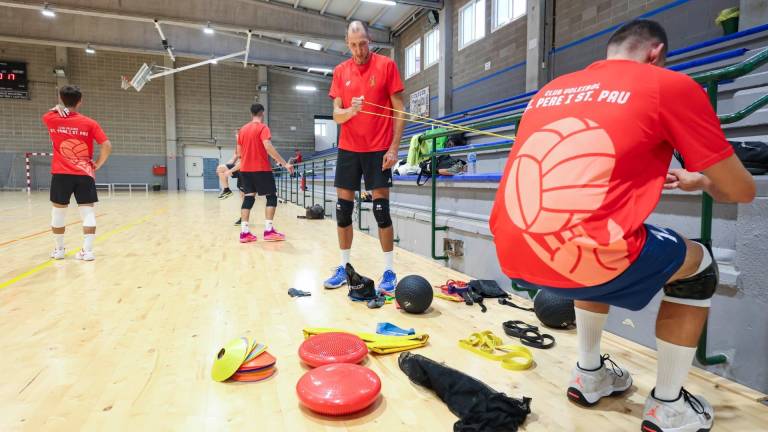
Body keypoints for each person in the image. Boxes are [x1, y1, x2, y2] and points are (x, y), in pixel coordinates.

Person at [489, 20, 755, 432]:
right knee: (699, 264)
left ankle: (589, 372)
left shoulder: (551, 89)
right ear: (655, 53)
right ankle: (668, 405)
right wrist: (702, 180)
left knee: (597, 232)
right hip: (583, 254)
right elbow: (740, 190)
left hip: (512, 248)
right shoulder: (668, 84)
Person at [323, 21, 405, 292]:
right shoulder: (340, 72)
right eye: (354, 45)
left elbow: (400, 110)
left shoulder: (386, 65)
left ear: (369, 40)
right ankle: (345, 267)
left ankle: (389, 271)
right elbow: (336, 115)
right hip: (348, 149)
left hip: (379, 148)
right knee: (342, 211)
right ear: (347, 43)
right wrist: (351, 112)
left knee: (381, 211)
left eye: (363, 43)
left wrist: (394, 148)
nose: (359, 50)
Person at [43, 85, 113, 261]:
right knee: (87, 212)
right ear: (80, 101)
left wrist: (57, 108)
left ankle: (59, 250)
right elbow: (107, 145)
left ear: (61, 99)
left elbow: (50, 112)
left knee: (58, 213)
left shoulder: (51, 118)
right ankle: (87, 251)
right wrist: (98, 164)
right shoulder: (90, 123)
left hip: (61, 173)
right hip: (84, 173)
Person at [237, 103, 294, 243]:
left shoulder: (242, 130)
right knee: (271, 197)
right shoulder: (263, 128)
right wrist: (284, 163)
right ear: (262, 113)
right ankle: (268, 230)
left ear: (251, 113)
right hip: (261, 168)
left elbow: (239, 153)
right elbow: (268, 147)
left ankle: (244, 232)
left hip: (245, 170)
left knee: (248, 198)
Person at [217, 129, 241, 200]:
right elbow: (234, 157)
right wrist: (226, 167)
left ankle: (227, 190)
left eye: (238, 134)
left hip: (247, 169)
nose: (236, 136)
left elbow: (244, 161)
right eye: (236, 135)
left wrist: (229, 170)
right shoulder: (238, 145)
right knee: (220, 168)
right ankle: (227, 190)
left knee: (244, 194)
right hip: (240, 168)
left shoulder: (246, 144)